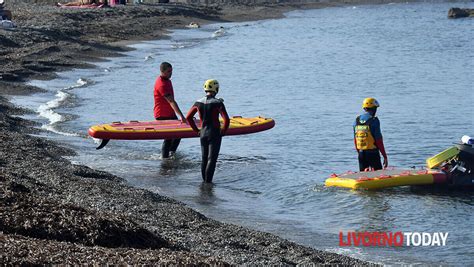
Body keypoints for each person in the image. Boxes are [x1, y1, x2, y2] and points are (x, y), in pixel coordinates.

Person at [186, 79, 230, 183]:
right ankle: (208, 184)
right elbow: (226, 120)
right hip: (214, 133)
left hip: (203, 133)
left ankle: (204, 183)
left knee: (204, 159)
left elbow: (188, 117)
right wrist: (223, 132)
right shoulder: (218, 103)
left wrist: (196, 130)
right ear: (216, 89)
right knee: (212, 160)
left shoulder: (198, 102)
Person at [154, 62, 186, 159]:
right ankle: (165, 159)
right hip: (162, 114)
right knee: (168, 137)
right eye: (168, 71)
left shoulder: (167, 80)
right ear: (162, 71)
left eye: (171, 71)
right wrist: (182, 117)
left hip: (170, 113)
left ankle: (171, 155)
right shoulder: (161, 84)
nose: (171, 73)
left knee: (178, 134)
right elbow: (171, 101)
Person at [354, 97, 388, 171]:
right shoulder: (374, 120)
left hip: (361, 153)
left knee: (363, 177)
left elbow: (355, 140)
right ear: (374, 108)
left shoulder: (357, 120)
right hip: (373, 153)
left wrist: (359, 153)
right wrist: (384, 156)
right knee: (378, 176)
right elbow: (378, 140)